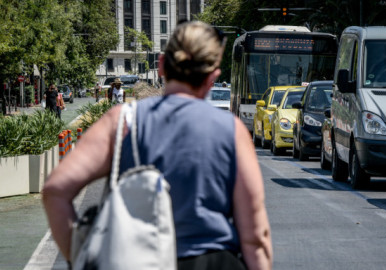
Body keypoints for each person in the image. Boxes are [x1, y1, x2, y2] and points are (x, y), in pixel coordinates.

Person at [42, 21, 272, 270]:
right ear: (212, 77)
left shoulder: (122, 121)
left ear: (161, 65)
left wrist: (81, 257)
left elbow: (55, 190)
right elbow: (255, 237)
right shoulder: (232, 130)